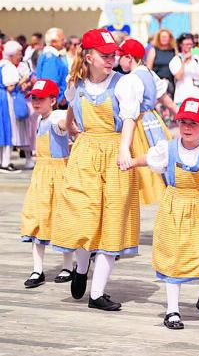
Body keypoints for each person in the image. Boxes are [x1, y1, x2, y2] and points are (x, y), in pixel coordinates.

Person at [129, 98, 199, 330]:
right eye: (183, 122)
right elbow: (149, 158)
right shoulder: (168, 148)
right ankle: (172, 309)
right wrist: (130, 162)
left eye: (193, 123)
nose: (187, 127)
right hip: (174, 204)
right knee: (174, 254)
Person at [51, 28, 140, 312]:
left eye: (113, 54)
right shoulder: (75, 84)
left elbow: (129, 119)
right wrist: (69, 127)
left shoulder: (124, 84)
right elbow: (71, 112)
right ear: (88, 57)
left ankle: (97, 293)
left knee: (112, 221)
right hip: (85, 152)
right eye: (104, 55)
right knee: (82, 214)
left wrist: (125, 149)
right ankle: (80, 266)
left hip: (115, 151)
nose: (110, 59)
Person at [19, 79, 74, 288]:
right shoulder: (40, 120)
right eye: (34, 97)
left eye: (41, 98)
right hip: (41, 175)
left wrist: (69, 115)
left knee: (62, 217)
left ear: (52, 100)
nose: (36, 102)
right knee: (36, 218)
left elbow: (63, 125)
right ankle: (37, 269)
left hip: (58, 174)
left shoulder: (55, 118)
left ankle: (68, 266)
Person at [117, 38, 175, 205]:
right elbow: (163, 97)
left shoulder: (131, 79)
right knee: (162, 157)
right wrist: (178, 114)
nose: (118, 60)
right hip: (154, 119)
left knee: (143, 163)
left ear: (128, 57)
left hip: (139, 121)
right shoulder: (149, 73)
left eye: (120, 56)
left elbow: (130, 112)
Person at [169, 33, 199, 106]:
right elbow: (178, 77)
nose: (189, 47)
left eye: (191, 44)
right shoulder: (176, 59)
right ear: (181, 45)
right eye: (186, 44)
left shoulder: (196, 58)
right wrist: (184, 61)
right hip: (183, 98)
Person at [0, 41, 21, 172]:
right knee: (7, 128)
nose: (20, 56)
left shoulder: (1, 63)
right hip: (5, 99)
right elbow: (10, 87)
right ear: (12, 55)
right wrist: (23, 80)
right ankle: (5, 161)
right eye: (19, 54)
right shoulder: (9, 67)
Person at [35, 28, 68, 104]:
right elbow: (50, 84)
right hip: (56, 103)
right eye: (62, 39)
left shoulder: (52, 56)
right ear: (53, 42)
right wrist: (58, 100)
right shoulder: (50, 58)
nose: (65, 41)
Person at [146, 29, 178, 97]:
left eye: (166, 37)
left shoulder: (174, 51)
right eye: (162, 37)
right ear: (159, 38)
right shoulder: (153, 50)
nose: (164, 38)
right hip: (157, 83)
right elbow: (148, 69)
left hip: (170, 83)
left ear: (170, 38)